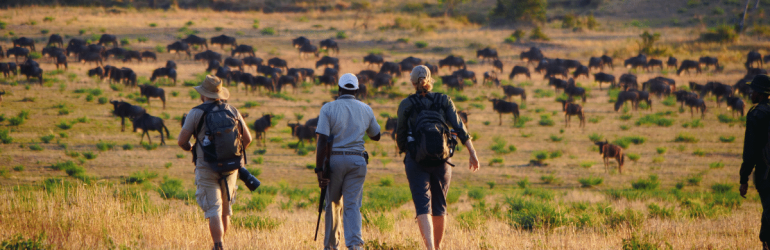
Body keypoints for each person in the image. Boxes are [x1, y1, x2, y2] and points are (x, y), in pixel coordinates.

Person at [396, 65, 480, 250]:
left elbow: (400, 132)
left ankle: (430, 248)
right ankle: (438, 247)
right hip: (442, 159)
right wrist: (472, 152)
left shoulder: (407, 104)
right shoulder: (444, 100)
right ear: (430, 80)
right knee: (440, 205)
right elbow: (459, 126)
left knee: (422, 205)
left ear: (412, 82)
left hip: (416, 160)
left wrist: (406, 151)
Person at [177, 75, 252, 250]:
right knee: (225, 210)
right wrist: (233, 155)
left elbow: (182, 141)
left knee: (213, 209)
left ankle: (218, 245)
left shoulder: (196, 112)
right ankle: (221, 243)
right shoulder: (232, 110)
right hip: (231, 167)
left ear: (203, 94)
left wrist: (191, 148)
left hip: (206, 166)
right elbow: (247, 139)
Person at [315, 73, 381, 250]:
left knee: (333, 205)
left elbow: (322, 140)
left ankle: (331, 246)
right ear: (357, 90)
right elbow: (376, 135)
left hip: (334, 160)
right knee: (352, 205)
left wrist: (319, 169)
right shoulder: (366, 109)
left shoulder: (328, 108)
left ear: (338, 89)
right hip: (357, 161)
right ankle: (354, 245)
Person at [740, 74, 770, 250]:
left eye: (753, 90)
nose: (750, 93)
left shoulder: (756, 115)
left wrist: (744, 179)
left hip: (766, 175)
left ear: (760, 93)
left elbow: (749, 152)